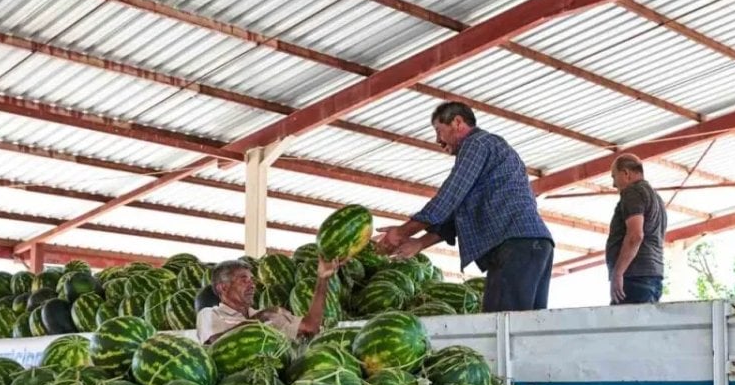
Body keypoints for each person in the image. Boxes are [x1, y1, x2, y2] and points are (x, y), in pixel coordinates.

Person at [373, 101, 554, 312]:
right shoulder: (489, 151)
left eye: (439, 131)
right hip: (533, 246)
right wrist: (420, 243)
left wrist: (402, 232)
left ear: (458, 122)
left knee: (502, 325)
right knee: (527, 329)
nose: (438, 140)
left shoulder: (477, 144)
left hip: (516, 246)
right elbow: (457, 214)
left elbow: (449, 197)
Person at [196, 258, 340, 344]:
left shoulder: (270, 317)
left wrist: (322, 279)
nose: (252, 285)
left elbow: (310, 327)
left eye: (252, 280)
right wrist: (261, 317)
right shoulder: (209, 314)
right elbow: (217, 342)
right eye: (243, 279)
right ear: (223, 287)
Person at [605, 154, 666, 304]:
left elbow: (635, 235)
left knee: (622, 326)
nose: (614, 184)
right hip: (652, 275)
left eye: (614, 177)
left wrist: (618, 273)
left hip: (635, 276)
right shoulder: (656, 198)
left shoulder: (633, 192)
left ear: (626, 173)